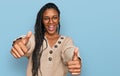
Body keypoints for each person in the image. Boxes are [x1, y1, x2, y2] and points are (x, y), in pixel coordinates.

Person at [11, 3, 81, 76]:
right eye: (46, 18)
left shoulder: (66, 41)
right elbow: (28, 43)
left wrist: (75, 59)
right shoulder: (35, 38)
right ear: (42, 20)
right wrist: (18, 42)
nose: (51, 22)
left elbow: (69, 51)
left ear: (59, 19)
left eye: (54, 17)